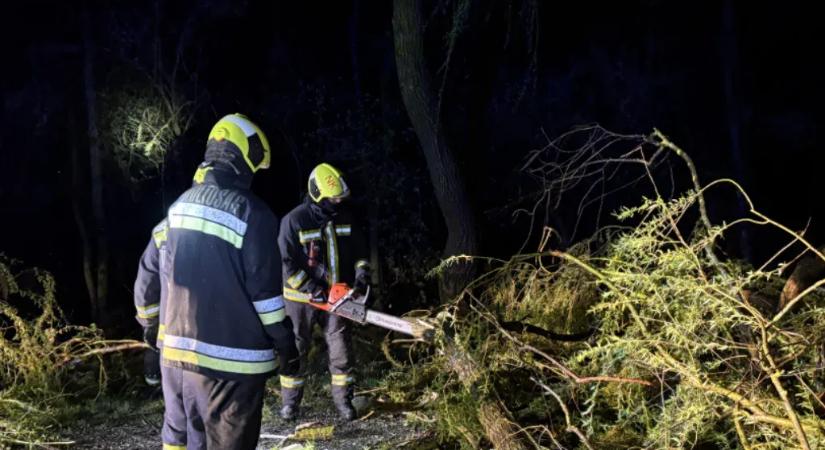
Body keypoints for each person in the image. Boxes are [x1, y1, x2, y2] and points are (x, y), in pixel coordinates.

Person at [134, 113, 299, 450]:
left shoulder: (178, 209)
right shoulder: (252, 213)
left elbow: (147, 272)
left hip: (178, 361)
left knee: (186, 441)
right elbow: (265, 296)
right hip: (232, 368)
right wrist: (284, 341)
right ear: (243, 159)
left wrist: (150, 325)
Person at [277, 162, 371, 421]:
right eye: (333, 199)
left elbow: (361, 252)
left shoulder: (345, 217)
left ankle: (344, 402)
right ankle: (290, 405)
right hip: (300, 300)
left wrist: (362, 276)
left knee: (341, 348)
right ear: (318, 195)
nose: (338, 203)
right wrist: (311, 288)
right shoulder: (293, 221)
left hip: (338, 298)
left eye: (340, 198)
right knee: (296, 349)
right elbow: (286, 263)